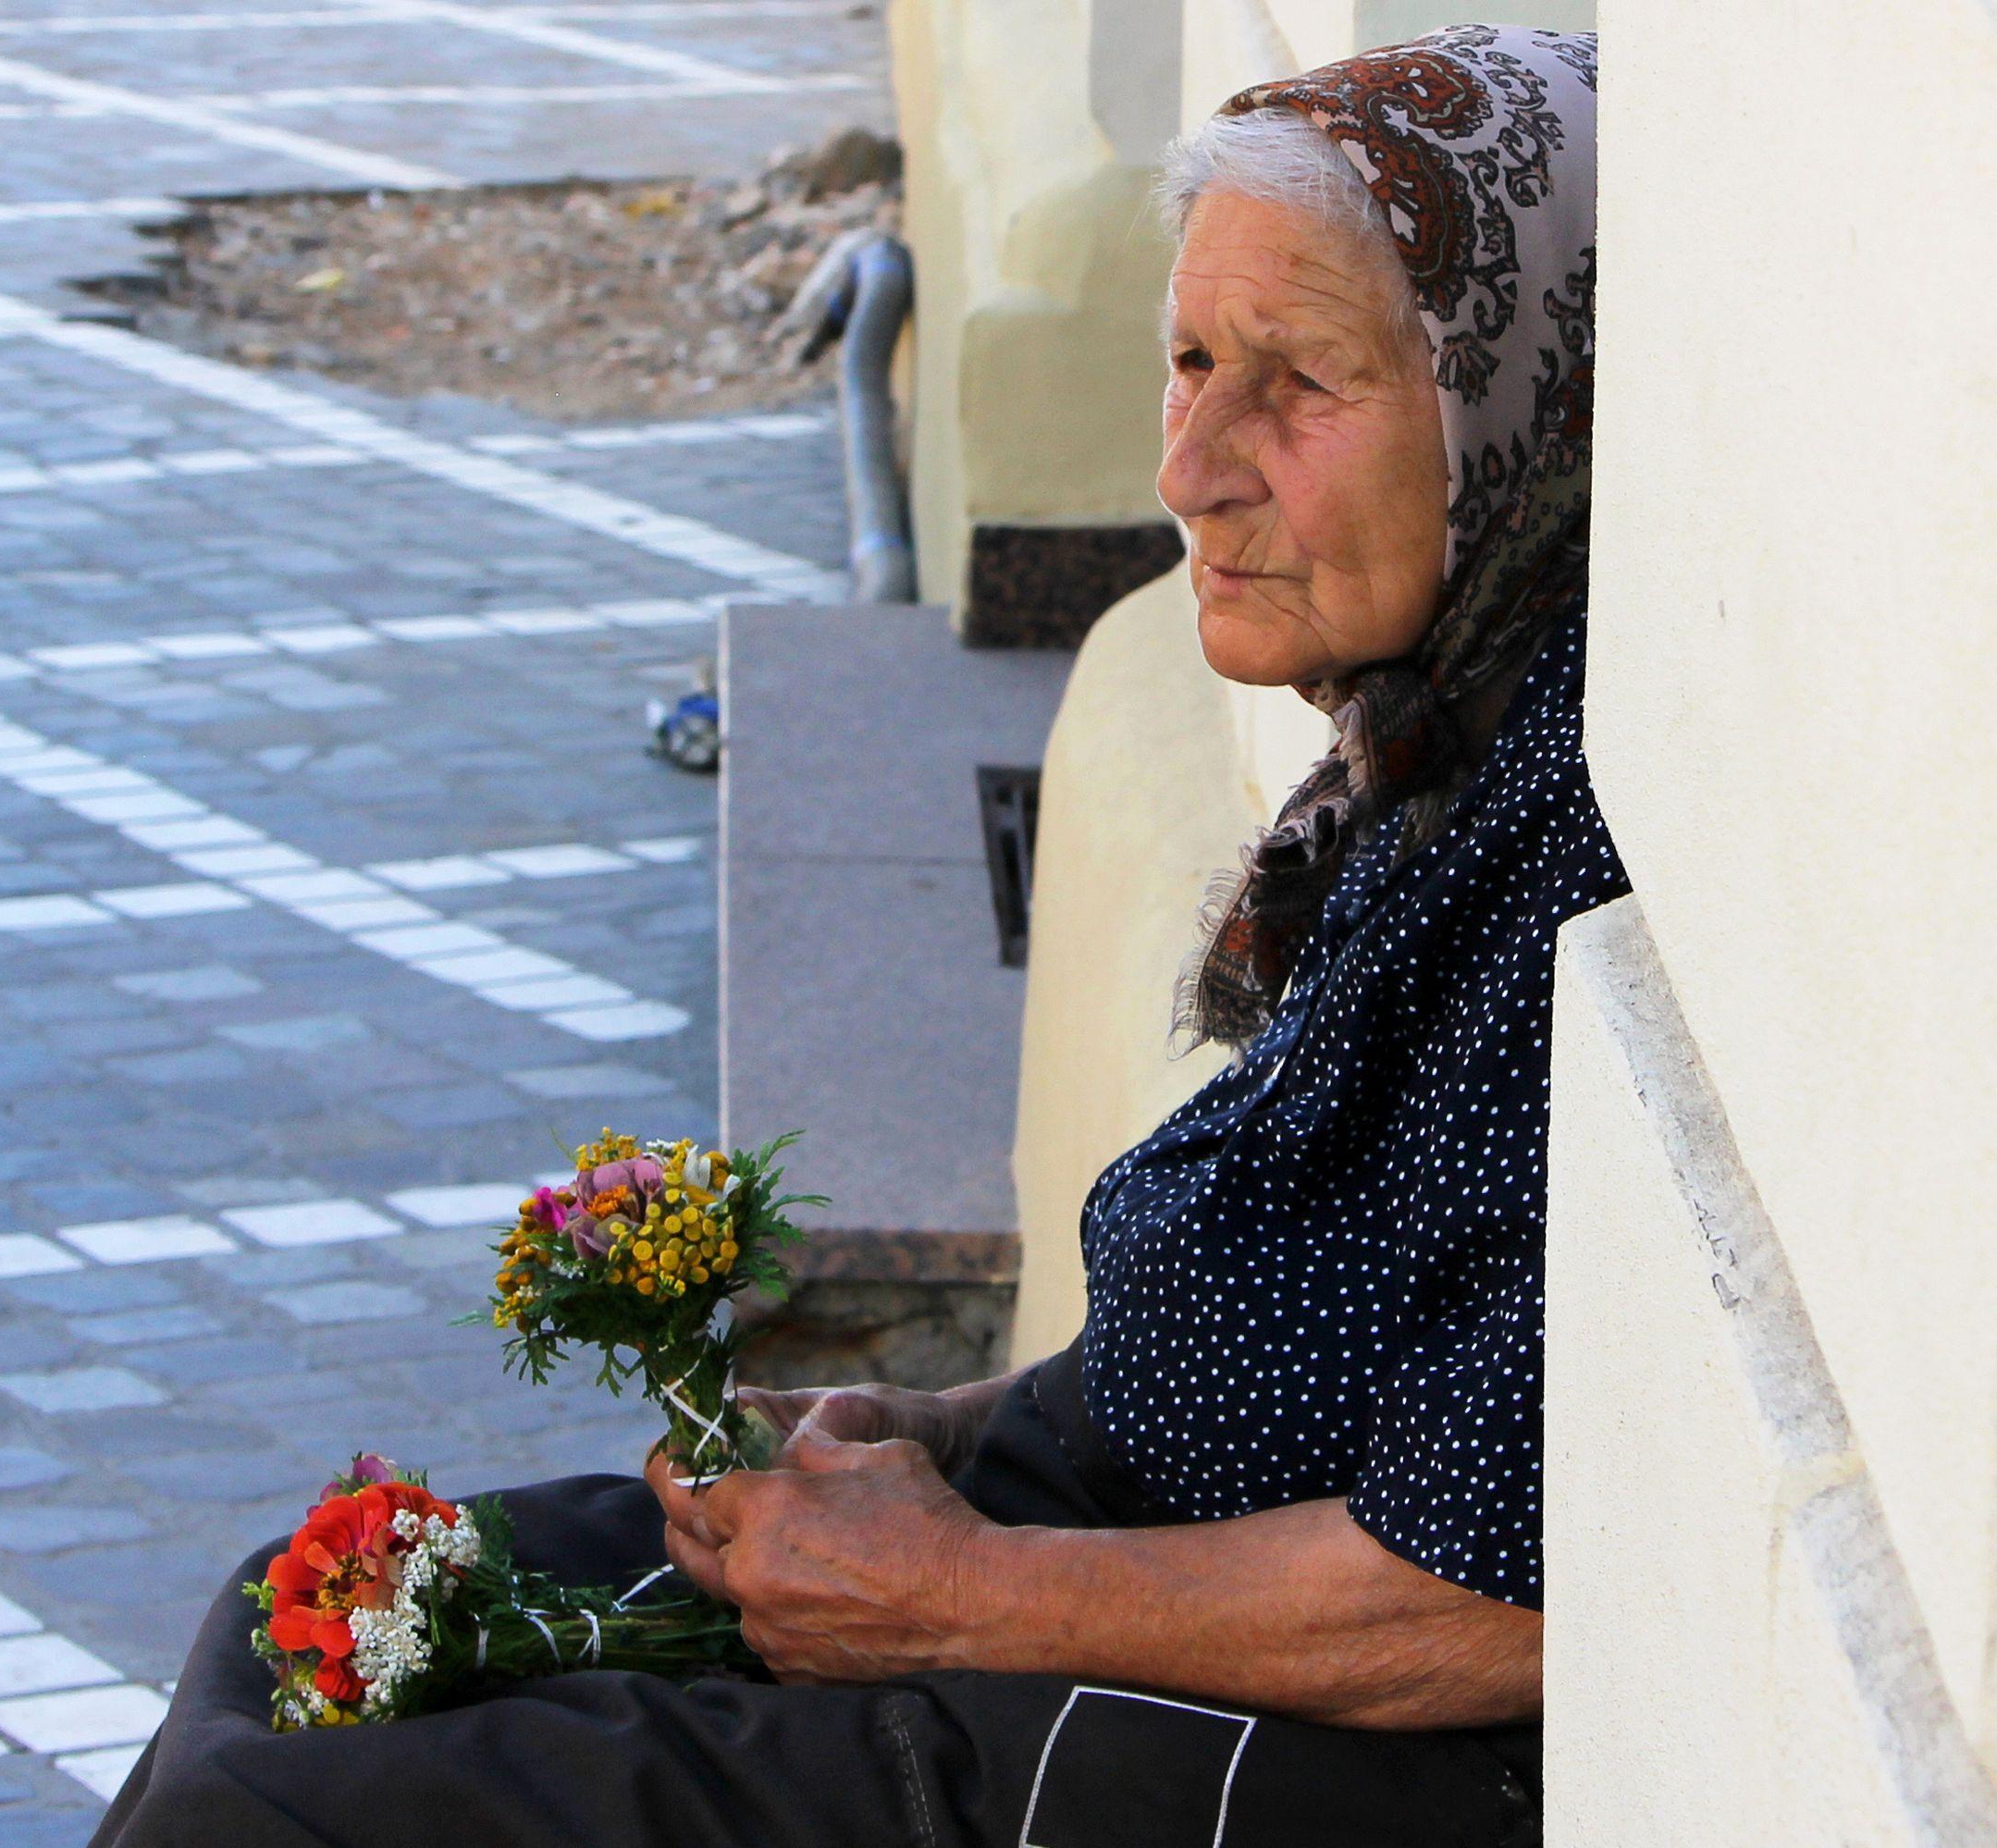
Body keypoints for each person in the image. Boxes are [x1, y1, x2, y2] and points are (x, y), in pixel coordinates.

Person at [92, 25, 1614, 1845]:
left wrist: (955, 1588)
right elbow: (1269, 1332)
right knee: (304, 1615)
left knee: (286, 1815)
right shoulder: (1427, 750)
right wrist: (942, 1433)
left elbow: (1484, 1588)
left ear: (1514, 404)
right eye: (1192, 360)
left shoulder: (1581, 856)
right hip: (1086, 1539)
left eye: (1300, 386)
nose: (1194, 464)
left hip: (1261, 1742)